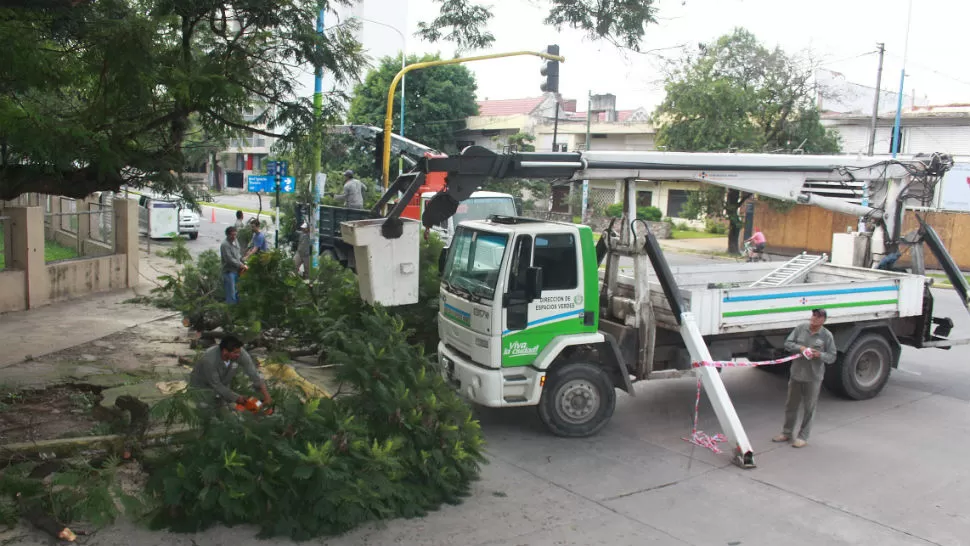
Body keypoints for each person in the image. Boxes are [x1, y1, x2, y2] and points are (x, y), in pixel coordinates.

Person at [773, 308, 837, 448]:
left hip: (813, 377)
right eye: (813, 315)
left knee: (809, 408)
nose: (814, 318)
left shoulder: (827, 336)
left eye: (818, 317)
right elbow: (788, 344)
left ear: (823, 320)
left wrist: (819, 355)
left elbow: (832, 357)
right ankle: (787, 432)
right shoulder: (801, 328)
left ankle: (803, 436)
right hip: (796, 374)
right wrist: (801, 348)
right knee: (791, 405)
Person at [188, 335, 271, 410]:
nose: (238, 355)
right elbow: (216, 385)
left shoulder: (239, 352)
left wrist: (266, 396)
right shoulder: (209, 360)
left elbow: (253, 373)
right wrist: (238, 398)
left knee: (226, 410)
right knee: (206, 410)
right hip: (202, 388)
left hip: (223, 387)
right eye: (235, 353)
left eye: (239, 352)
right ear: (225, 351)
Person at [220, 226, 247, 304]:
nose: (234, 237)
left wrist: (243, 261)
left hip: (237, 271)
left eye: (235, 235)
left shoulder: (235, 241)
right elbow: (229, 259)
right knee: (231, 293)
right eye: (232, 235)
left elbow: (238, 253)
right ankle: (230, 309)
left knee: (238, 291)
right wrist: (241, 265)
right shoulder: (225, 245)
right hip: (229, 272)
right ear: (227, 235)